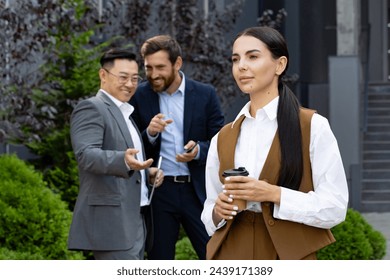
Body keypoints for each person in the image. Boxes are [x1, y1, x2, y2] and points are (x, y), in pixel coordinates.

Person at [201, 26, 349, 260]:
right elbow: (210, 208)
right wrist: (218, 212)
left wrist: (274, 194)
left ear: (280, 65)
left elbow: (335, 207)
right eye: (235, 59)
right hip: (230, 253)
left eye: (253, 56)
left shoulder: (313, 126)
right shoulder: (223, 136)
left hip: (287, 255)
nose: (241, 66)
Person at [130, 35, 225, 260]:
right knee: (159, 260)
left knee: (216, 255)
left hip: (197, 191)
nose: (153, 75)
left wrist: (199, 150)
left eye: (160, 67)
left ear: (177, 63)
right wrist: (150, 133)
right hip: (160, 192)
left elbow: (221, 141)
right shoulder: (139, 95)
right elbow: (130, 144)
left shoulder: (205, 94)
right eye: (148, 68)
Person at [68, 48, 163, 260]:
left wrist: (146, 172)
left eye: (134, 79)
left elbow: (130, 162)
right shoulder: (92, 108)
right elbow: (86, 155)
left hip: (135, 219)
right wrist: (124, 162)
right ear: (103, 75)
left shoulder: (126, 114)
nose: (130, 84)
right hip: (112, 225)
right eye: (123, 77)